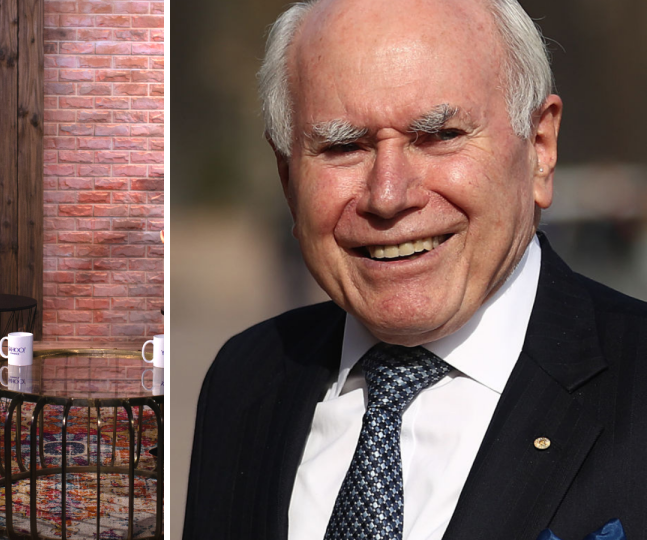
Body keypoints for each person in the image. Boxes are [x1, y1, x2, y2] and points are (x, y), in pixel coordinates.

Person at [184, 0, 647, 539]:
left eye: (440, 136)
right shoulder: (245, 380)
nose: (388, 196)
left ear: (539, 148)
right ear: (288, 180)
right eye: (342, 146)